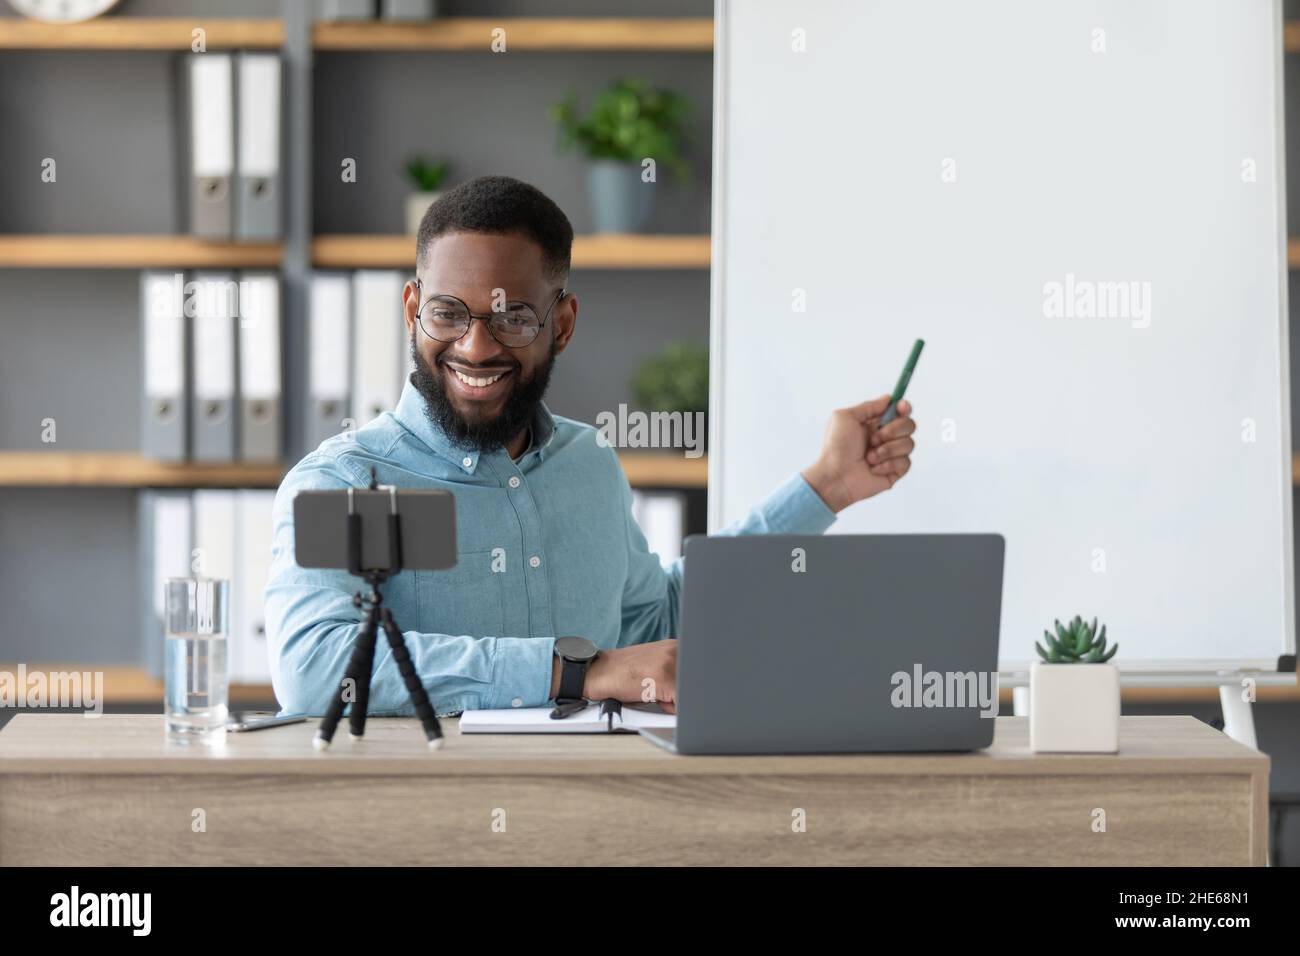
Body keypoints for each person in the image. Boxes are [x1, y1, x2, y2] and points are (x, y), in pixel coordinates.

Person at [265, 175, 915, 716]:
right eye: (447, 313)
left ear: (563, 324)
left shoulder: (589, 466)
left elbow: (654, 621)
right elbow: (316, 670)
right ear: (412, 312)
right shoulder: (346, 482)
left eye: (514, 317)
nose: (476, 346)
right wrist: (581, 671)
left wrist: (827, 486)